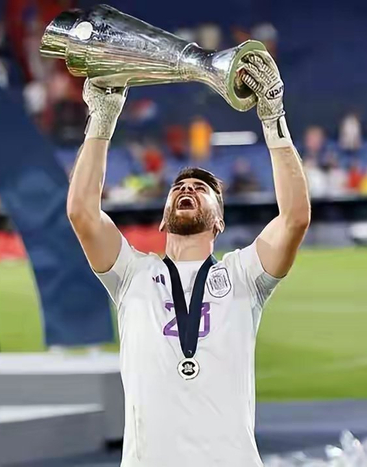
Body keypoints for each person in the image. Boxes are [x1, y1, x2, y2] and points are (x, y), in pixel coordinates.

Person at [67, 51, 310, 467]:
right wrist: (102, 119)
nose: (187, 189)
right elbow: (82, 213)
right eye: (179, 187)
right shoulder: (131, 274)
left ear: (219, 222)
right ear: (163, 219)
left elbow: (294, 218)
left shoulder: (244, 274)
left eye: (201, 189)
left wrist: (273, 118)